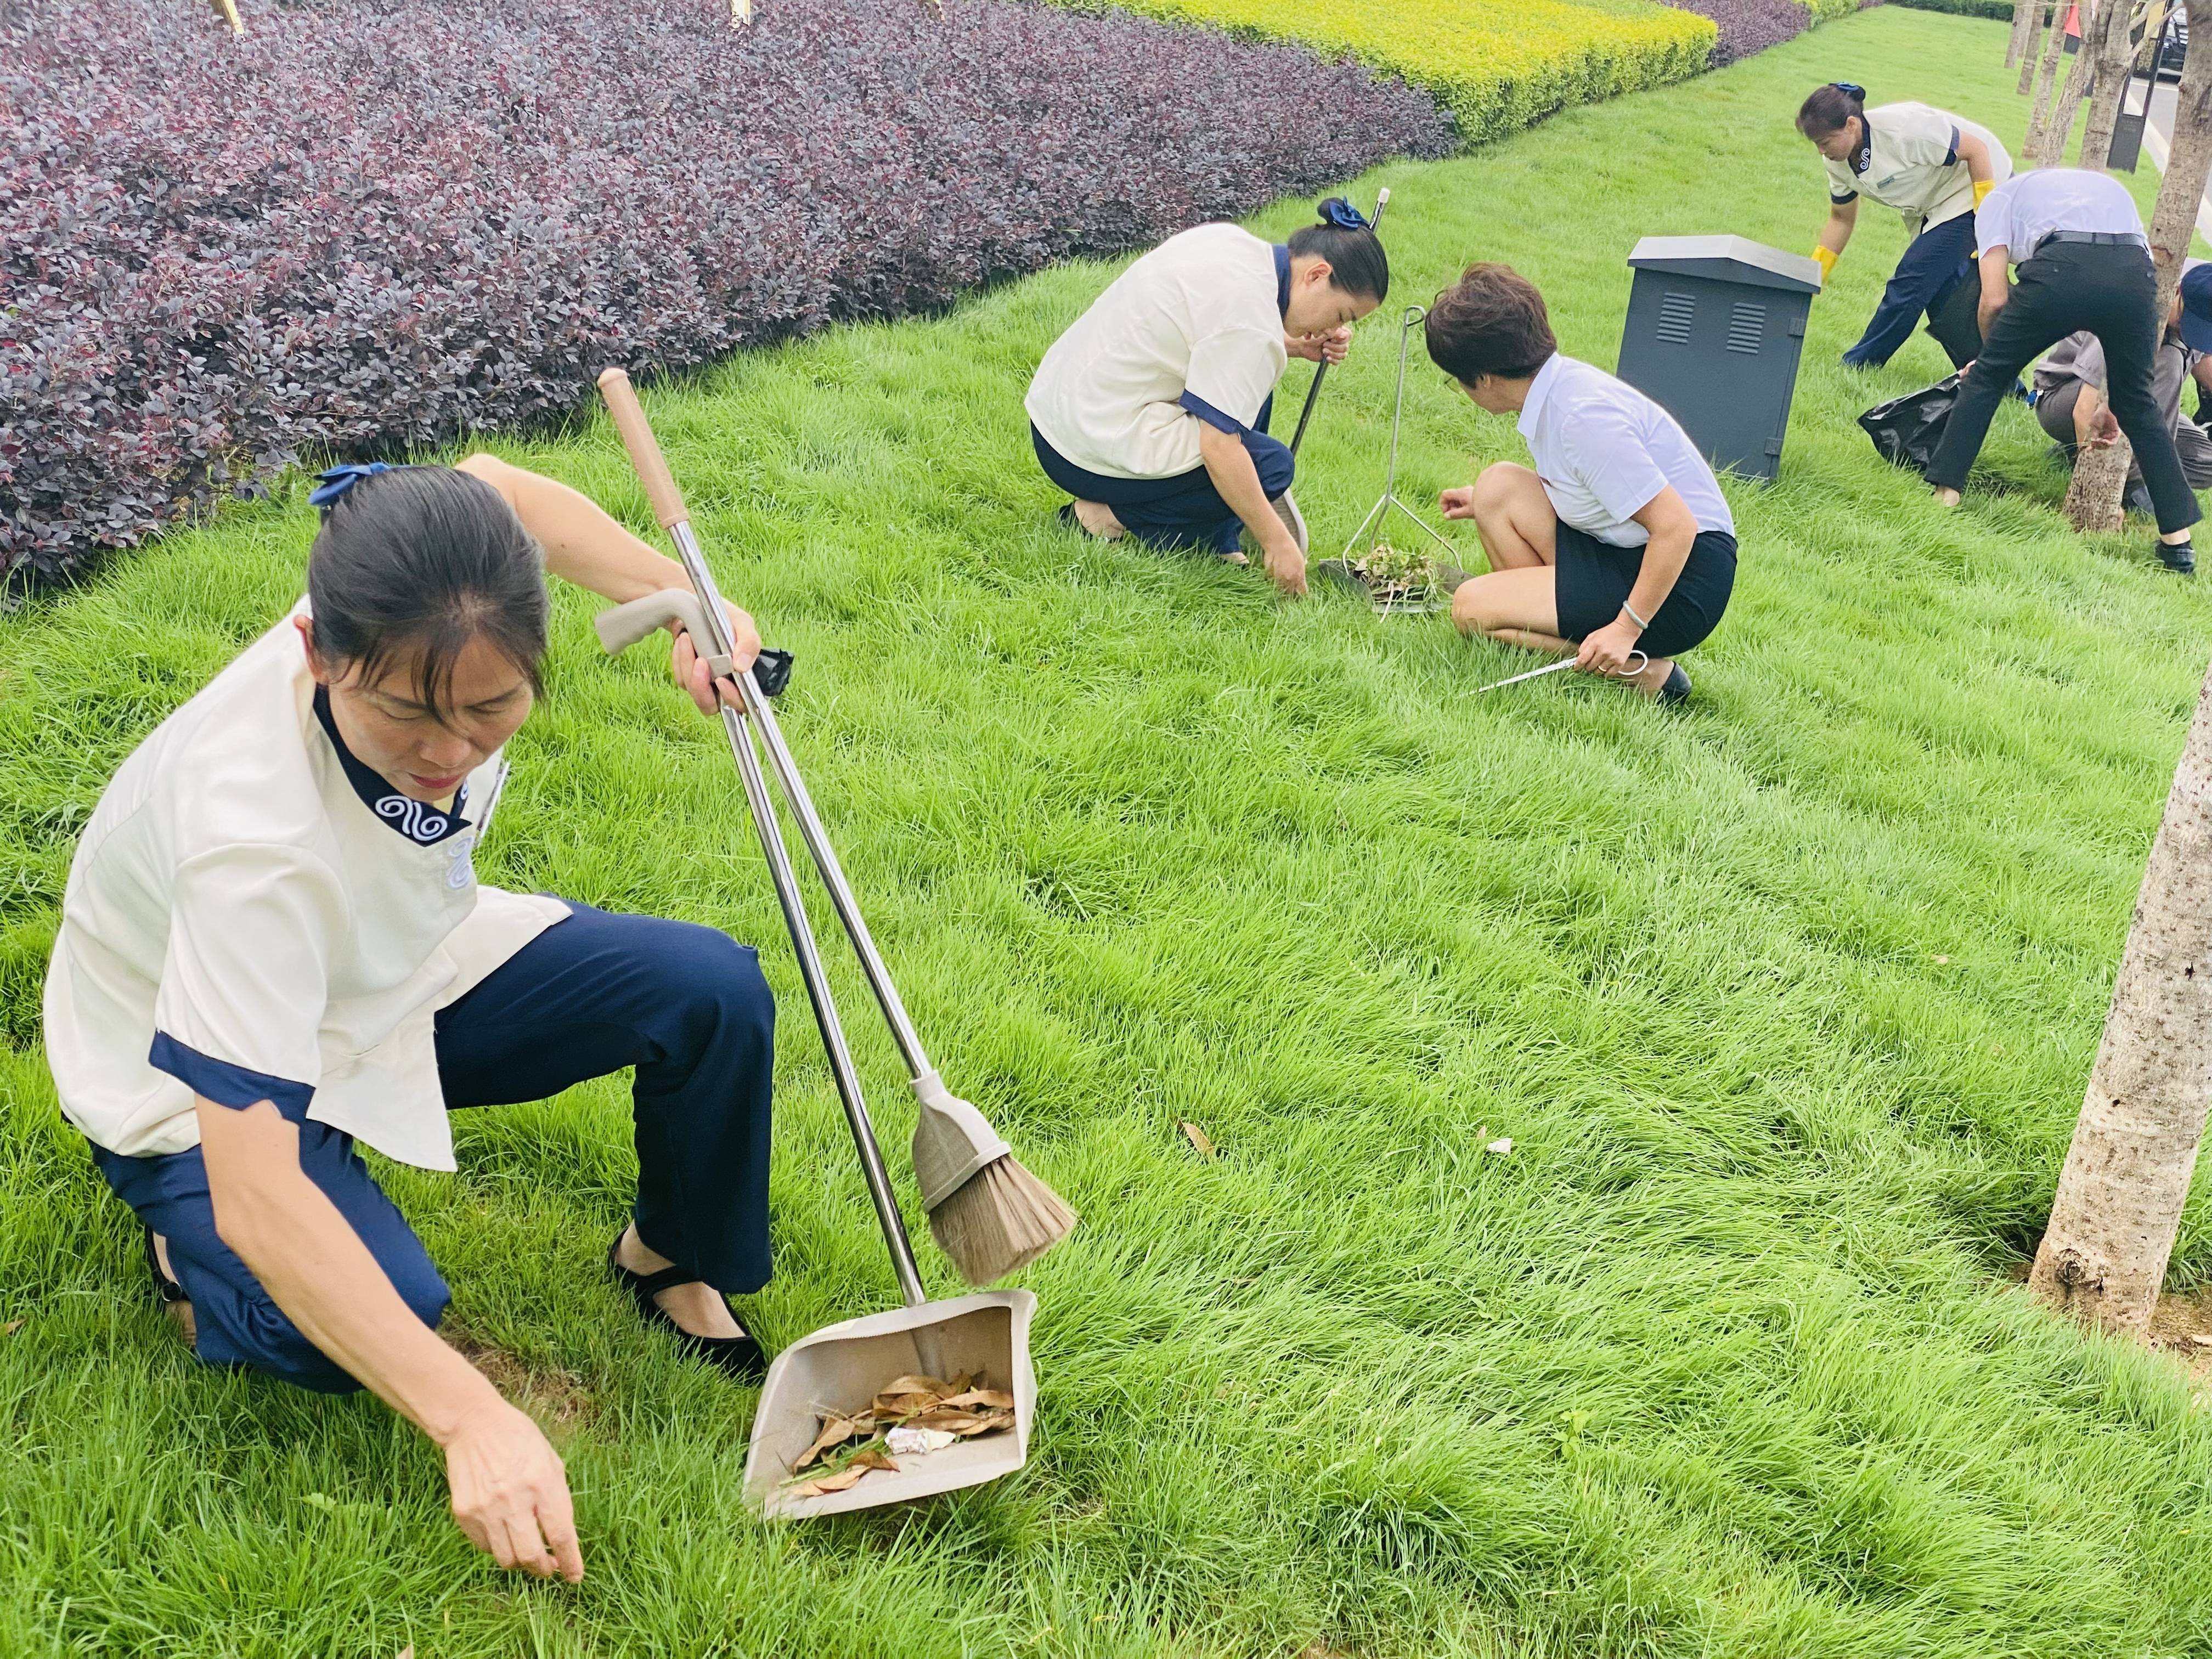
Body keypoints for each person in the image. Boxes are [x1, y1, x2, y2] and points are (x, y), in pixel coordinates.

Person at [43, 458, 783, 1584]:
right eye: (405, 716)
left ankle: (668, 1257)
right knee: (371, 1314)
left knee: (711, 990)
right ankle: (185, 1260)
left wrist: (684, 601)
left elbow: (499, 489)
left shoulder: (432, 592)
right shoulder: (253, 838)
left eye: (491, 710)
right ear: (319, 655)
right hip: (191, 1075)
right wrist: (471, 1420)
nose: (448, 753)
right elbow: (256, 1187)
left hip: (392, 964)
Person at [1026, 197, 1390, 598]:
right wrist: (1277, 542)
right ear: (1317, 274)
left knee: (1245, 393)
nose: (1332, 327)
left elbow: (1220, 335)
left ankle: (1218, 536)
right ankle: (1103, 517)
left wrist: (1295, 346)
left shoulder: (1235, 245)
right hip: (1083, 449)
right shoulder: (1251, 327)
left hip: (1059, 410)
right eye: (1341, 315)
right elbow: (1219, 448)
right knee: (1269, 467)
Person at [1423, 262, 1737, 704]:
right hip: (1631, 548)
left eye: (1457, 379)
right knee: (1497, 487)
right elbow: (1592, 485)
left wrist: (1626, 628)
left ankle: (1640, 671)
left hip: (1685, 579)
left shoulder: (1581, 418)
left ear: (1486, 378)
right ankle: (1545, 616)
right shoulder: (1557, 387)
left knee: (1470, 608)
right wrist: (1483, 502)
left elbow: (1677, 527)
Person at [1925, 167, 2202, 574]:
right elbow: (2120, 265)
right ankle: (2179, 547)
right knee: (2138, 404)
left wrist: (1991, 356)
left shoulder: (1995, 204)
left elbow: (1994, 299)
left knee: (1985, 381)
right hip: (2134, 276)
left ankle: (1946, 495)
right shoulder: (2108, 188)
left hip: (2061, 268)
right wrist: (2113, 404)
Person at [1798, 82, 2011, 370]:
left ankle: (1858, 365)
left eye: (1825, 142)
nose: (1822, 152)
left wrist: (1986, 221)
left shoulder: (1904, 128)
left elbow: (1977, 150)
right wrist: (1811, 277)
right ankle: (1997, 378)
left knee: (1912, 279)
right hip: (1934, 204)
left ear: (1851, 124)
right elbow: (1841, 219)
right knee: (1943, 298)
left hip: (1977, 186)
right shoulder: (1837, 163)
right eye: (1816, 145)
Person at [2033, 259, 2212, 509]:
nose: (2189, 333)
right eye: (2187, 322)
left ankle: (2073, 453)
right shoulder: (2133, 308)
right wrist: (2102, 489)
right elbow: (2085, 408)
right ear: (2177, 291)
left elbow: (2207, 369)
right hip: (2063, 397)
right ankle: (2132, 485)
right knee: (2170, 361)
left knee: (2208, 461)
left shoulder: (2189, 326)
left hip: (2131, 405)